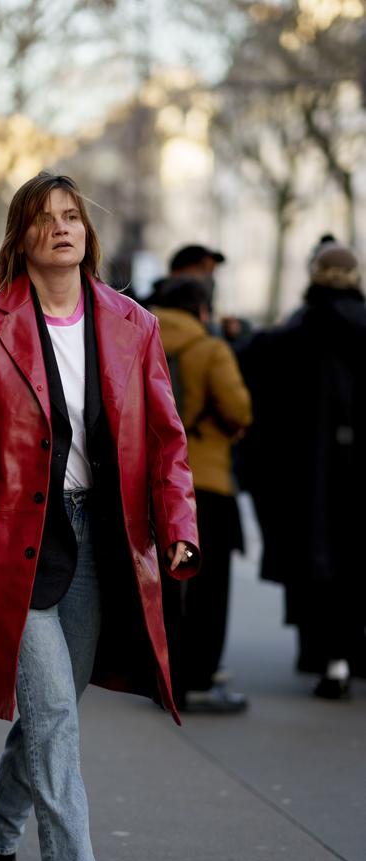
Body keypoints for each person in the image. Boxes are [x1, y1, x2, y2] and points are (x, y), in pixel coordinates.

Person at [0, 172, 199, 861]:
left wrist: (179, 527)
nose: (61, 228)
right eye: (44, 219)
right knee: (54, 724)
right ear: (21, 236)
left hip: (99, 540)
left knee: (54, 715)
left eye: (72, 216)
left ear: (88, 231)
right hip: (14, 546)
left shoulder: (133, 324)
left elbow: (168, 437)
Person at [240, 242, 366, 699]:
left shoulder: (294, 331)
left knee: (318, 569)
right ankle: (352, 655)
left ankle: (327, 660)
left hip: (305, 476)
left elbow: (255, 375)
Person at [152, 278, 253, 712]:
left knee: (164, 586)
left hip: (154, 479)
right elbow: (239, 409)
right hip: (204, 480)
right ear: (201, 310)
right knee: (210, 588)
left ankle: (165, 676)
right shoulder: (210, 349)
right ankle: (201, 678)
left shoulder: (141, 338)